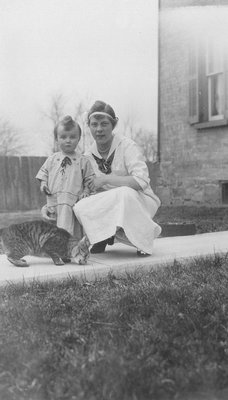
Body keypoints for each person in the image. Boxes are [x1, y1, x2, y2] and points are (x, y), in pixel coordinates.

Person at [73, 100, 162, 256]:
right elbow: (86, 187)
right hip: (110, 202)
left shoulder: (127, 146)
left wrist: (107, 179)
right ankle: (101, 237)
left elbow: (141, 181)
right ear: (89, 126)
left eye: (104, 124)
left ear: (113, 125)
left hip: (140, 200)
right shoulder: (87, 156)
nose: (99, 129)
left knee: (124, 193)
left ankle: (142, 241)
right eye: (94, 124)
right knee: (80, 205)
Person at [36, 115, 95, 240]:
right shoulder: (52, 159)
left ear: (79, 139)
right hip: (54, 200)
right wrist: (43, 185)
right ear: (57, 139)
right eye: (63, 137)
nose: (68, 140)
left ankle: (69, 250)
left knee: (70, 227)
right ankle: (54, 251)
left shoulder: (83, 161)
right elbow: (44, 174)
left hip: (71, 202)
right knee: (52, 227)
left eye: (72, 137)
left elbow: (89, 180)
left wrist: (86, 191)